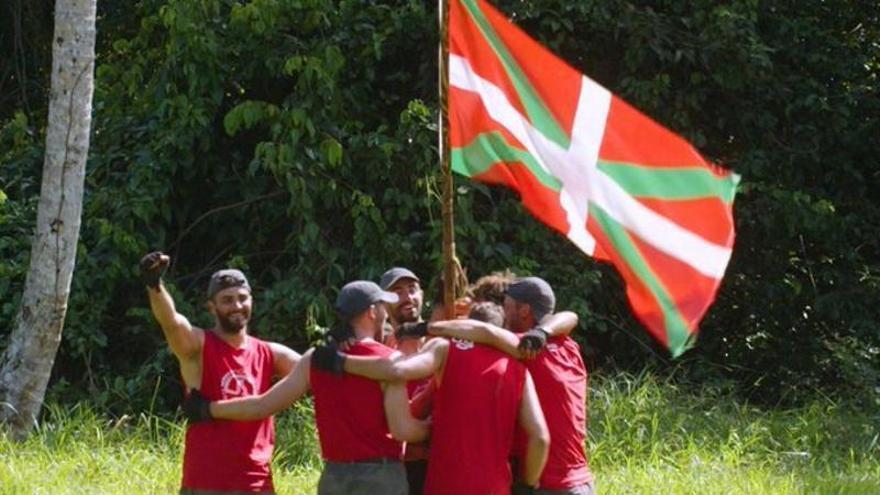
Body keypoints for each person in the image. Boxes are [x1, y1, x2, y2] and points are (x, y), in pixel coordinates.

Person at [184, 280, 429, 495]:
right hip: (380, 477)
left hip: (334, 476)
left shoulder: (315, 359)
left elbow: (262, 405)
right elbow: (402, 430)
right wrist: (431, 428)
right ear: (372, 312)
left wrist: (208, 409)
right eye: (382, 307)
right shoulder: (389, 360)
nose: (386, 313)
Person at [316, 300, 551, 495]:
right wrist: (527, 485)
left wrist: (339, 362)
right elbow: (540, 438)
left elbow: (399, 371)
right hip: (495, 487)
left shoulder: (444, 349)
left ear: (465, 324)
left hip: (445, 485)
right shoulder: (519, 370)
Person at [139, 251, 301, 495]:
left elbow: (316, 373)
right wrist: (154, 285)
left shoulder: (269, 353)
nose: (236, 306)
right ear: (211, 307)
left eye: (242, 298)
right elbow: (171, 322)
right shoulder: (198, 346)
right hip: (207, 483)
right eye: (227, 300)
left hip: (256, 484)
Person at [429, 276, 595, 495]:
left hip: (546, 485)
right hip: (582, 482)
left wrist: (427, 327)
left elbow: (487, 332)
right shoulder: (570, 348)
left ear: (524, 310)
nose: (504, 315)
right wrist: (542, 332)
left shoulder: (525, 349)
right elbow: (570, 316)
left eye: (506, 307)